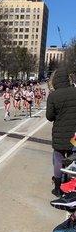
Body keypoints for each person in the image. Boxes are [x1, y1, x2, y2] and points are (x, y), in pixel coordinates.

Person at [46, 67, 76, 196]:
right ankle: (71, 186)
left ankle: (57, 188)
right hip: (74, 134)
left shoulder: (53, 96)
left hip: (59, 133)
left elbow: (49, 116)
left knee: (58, 157)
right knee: (72, 158)